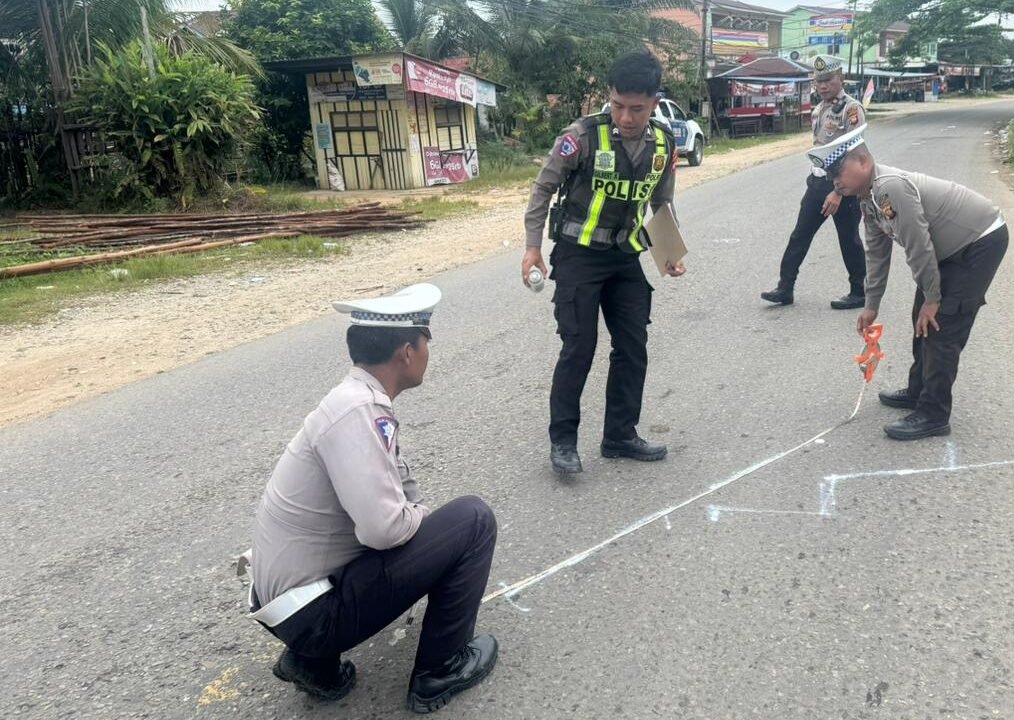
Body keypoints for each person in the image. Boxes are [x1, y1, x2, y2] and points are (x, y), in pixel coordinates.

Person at [247, 283, 499, 714]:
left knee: (423, 529)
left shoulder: (351, 401)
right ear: (407, 351)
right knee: (473, 521)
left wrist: (418, 523)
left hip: (286, 603)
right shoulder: (359, 412)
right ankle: (439, 669)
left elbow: (392, 495)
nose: (427, 352)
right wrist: (427, 527)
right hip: (311, 615)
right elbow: (386, 528)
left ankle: (313, 665)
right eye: (426, 341)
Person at [521, 50, 686, 475]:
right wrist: (532, 247)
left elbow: (661, 201)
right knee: (579, 347)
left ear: (654, 102)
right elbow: (542, 190)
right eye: (617, 105)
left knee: (633, 347)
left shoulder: (664, 144)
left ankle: (619, 436)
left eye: (637, 108)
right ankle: (563, 442)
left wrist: (669, 255)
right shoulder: (583, 136)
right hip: (579, 255)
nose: (626, 117)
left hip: (625, 255)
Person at [815, 125, 1010, 440]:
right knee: (920, 317)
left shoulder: (889, 189)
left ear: (863, 161)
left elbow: (919, 246)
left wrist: (934, 298)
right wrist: (871, 305)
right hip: (948, 250)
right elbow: (877, 254)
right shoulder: (868, 199)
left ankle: (934, 413)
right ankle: (919, 390)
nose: (834, 180)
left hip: (979, 241)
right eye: (830, 175)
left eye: (839, 170)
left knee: (941, 324)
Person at [761, 57, 867, 310]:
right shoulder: (819, 109)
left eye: (828, 80)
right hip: (818, 184)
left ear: (840, 79)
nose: (822, 85)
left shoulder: (851, 110)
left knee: (848, 239)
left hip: (845, 188)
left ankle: (858, 291)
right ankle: (785, 288)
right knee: (800, 235)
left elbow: (853, 154)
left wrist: (838, 192)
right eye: (818, 81)